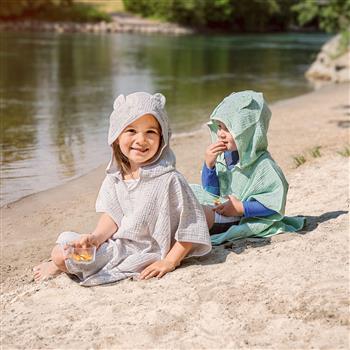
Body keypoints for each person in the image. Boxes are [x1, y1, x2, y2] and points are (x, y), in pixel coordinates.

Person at [33, 92, 211, 286]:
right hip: (117, 245)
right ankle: (61, 263)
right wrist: (95, 238)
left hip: (144, 252)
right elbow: (112, 216)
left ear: (162, 138)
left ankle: (59, 265)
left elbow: (191, 226)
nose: (141, 140)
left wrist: (170, 261)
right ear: (117, 136)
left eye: (150, 132)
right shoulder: (115, 178)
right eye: (131, 131)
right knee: (65, 249)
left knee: (61, 256)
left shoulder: (170, 179)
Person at [191, 90, 304, 244]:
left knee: (195, 214)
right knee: (184, 192)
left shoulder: (264, 166)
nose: (220, 134)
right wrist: (209, 165)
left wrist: (241, 208)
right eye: (219, 127)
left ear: (247, 132)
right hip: (219, 205)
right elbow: (212, 193)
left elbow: (274, 202)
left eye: (228, 128)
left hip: (236, 218)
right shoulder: (225, 156)